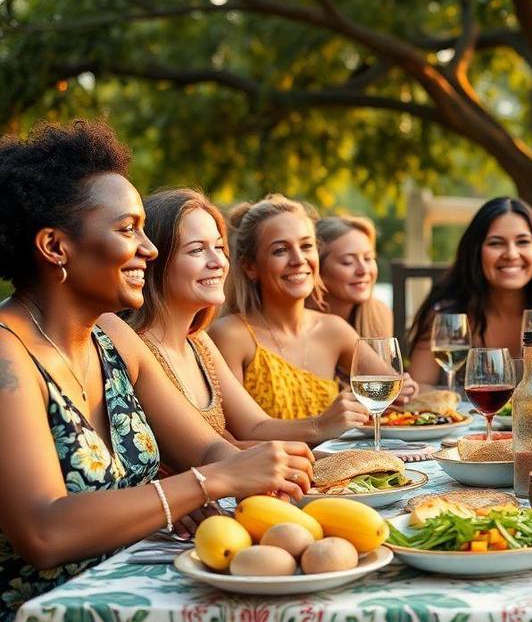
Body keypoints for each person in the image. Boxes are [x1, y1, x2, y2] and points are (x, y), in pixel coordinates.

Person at [0, 121, 313, 619]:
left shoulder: (114, 336)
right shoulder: (8, 354)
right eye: (128, 230)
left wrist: (268, 474)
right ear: (55, 247)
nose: (149, 248)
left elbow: (207, 448)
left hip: (142, 592)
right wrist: (206, 484)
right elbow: (45, 531)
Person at [125, 189, 373, 445]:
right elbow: (213, 453)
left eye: (219, 247)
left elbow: (252, 429)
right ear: (153, 259)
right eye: (198, 250)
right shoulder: (136, 344)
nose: (218, 262)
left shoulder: (198, 342)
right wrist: (320, 431)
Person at [210, 195, 412, 419]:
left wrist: (405, 389)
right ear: (250, 267)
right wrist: (321, 426)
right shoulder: (230, 335)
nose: (298, 259)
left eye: (306, 246)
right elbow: (231, 435)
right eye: (280, 250)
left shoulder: (335, 330)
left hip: (343, 455)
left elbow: (393, 391)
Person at [407, 197, 532, 386]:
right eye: (496, 243)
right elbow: (418, 389)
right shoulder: (447, 313)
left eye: (523, 242)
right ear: (475, 252)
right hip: (467, 416)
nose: (511, 254)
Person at [311, 215, 394, 338]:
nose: (363, 270)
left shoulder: (379, 315)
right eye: (347, 262)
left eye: (368, 258)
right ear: (317, 268)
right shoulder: (300, 323)